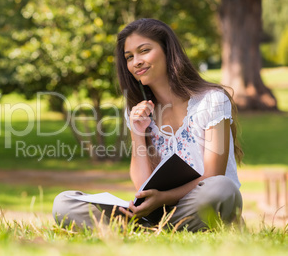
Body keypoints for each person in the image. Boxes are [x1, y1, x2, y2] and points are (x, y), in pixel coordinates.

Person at [52, 18, 243, 232]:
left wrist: (163, 198)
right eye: (129, 57)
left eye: (144, 51)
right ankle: (151, 230)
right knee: (63, 203)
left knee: (222, 188)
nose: (136, 62)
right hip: (154, 214)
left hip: (197, 205)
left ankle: (149, 232)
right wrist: (137, 131)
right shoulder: (138, 111)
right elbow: (142, 186)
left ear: (167, 50)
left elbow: (212, 175)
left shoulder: (212, 101)